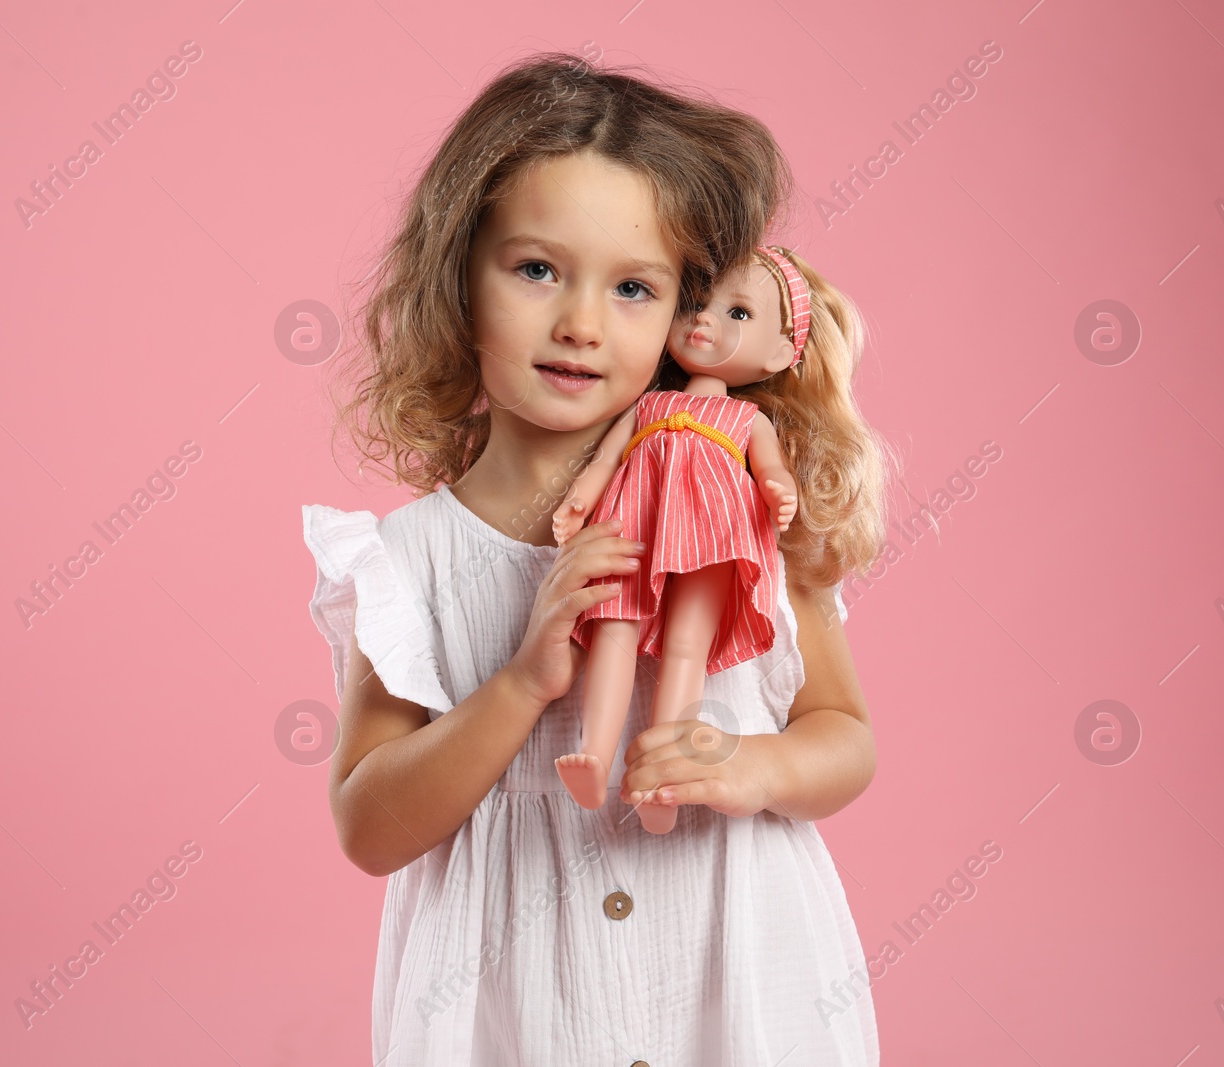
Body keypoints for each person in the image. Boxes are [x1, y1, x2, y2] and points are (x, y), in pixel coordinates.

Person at [302, 50, 892, 1066]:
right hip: (519, 1021)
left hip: (739, 1001)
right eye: (536, 268)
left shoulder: (747, 513)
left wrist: (755, 764)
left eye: (632, 286)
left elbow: (844, 736)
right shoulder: (414, 559)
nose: (578, 323)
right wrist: (521, 682)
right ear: (458, 280)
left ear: (685, 313)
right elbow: (370, 825)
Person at [550, 246, 820, 833]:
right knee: (611, 627)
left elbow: (770, 470)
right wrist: (580, 499)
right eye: (696, 302)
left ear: (781, 352)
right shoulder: (649, 403)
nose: (705, 320)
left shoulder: (748, 421)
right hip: (634, 523)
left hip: (713, 536)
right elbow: (606, 457)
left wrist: (779, 493)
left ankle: (661, 780)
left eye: (739, 313)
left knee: (687, 648)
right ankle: (594, 754)